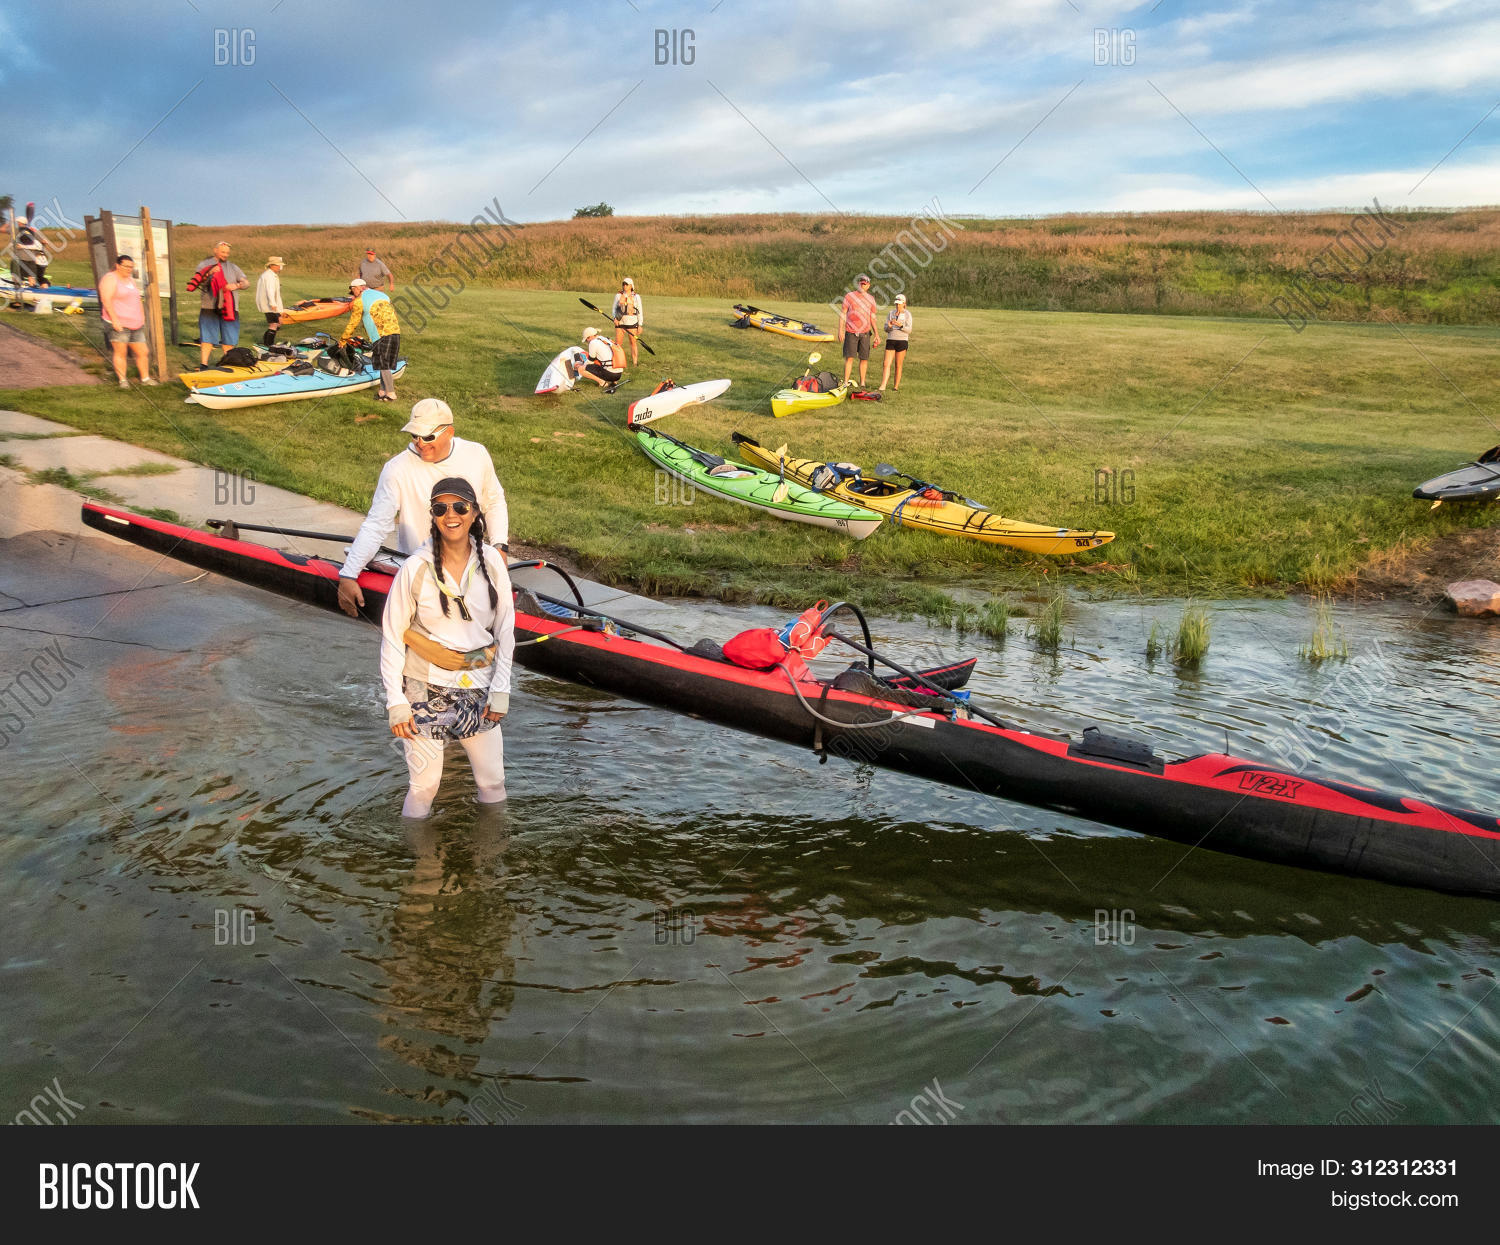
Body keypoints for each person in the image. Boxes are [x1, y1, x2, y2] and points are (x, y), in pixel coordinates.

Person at [381, 476, 514, 818]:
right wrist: (396, 703)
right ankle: (418, 852)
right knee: (424, 787)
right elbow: (392, 635)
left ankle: (492, 850)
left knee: (493, 783)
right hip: (424, 686)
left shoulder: (492, 563)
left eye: (460, 507)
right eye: (440, 508)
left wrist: (501, 688)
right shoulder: (415, 568)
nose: (450, 515)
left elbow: (505, 630)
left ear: (475, 513)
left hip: (479, 685)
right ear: (433, 515)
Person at [337, 397, 509, 618]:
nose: (420, 443)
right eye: (414, 435)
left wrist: (500, 546)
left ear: (449, 432)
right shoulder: (396, 469)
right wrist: (349, 575)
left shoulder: (476, 454)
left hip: (473, 570)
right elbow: (376, 525)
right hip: (423, 576)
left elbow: (494, 501)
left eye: (428, 437)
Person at [186, 240, 249, 368]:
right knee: (207, 338)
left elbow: (246, 283)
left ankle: (228, 364)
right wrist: (209, 272)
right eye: (222, 252)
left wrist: (237, 285)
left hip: (230, 308)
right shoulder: (204, 264)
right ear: (215, 250)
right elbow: (198, 280)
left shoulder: (233, 267)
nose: (225, 255)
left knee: (229, 338)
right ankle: (204, 365)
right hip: (209, 307)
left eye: (227, 253)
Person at [338, 276, 402, 401]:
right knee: (385, 363)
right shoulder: (383, 295)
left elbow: (353, 322)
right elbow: (393, 312)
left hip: (380, 334)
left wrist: (343, 340)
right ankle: (382, 391)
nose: (353, 295)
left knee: (383, 365)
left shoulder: (359, 301)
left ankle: (391, 393)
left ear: (356, 288)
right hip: (395, 331)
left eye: (353, 291)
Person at [97, 254, 156, 389]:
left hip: (135, 323)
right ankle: (123, 381)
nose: (129, 269)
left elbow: (137, 299)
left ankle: (145, 378)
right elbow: (106, 300)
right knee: (121, 352)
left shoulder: (130, 280)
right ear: (118, 265)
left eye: (131, 267)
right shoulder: (110, 279)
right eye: (126, 266)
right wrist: (114, 320)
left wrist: (142, 317)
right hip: (118, 322)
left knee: (143, 351)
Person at [839, 273, 878, 387]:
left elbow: (872, 317)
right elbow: (843, 314)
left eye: (864, 284)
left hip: (865, 333)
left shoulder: (871, 299)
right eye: (861, 283)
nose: (862, 285)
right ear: (858, 284)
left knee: (864, 358)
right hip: (851, 332)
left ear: (868, 286)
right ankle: (845, 382)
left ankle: (862, 383)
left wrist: (877, 334)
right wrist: (840, 330)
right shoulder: (849, 296)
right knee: (849, 358)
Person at [879, 294, 911, 392]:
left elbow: (909, 330)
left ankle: (895, 387)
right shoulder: (891, 313)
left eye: (899, 304)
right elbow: (886, 328)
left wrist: (901, 326)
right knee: (886, 363)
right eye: (896, 304)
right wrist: (889, 326)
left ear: (904, 304)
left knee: (898, 365)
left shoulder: (907, 314)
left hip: (902, 341)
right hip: (891, 339)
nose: (897, 306)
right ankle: (883, 385)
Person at [579, 326, 624, 393]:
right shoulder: (604, 339)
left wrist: (582, 364)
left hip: (611, 374)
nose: (587, 342)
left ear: (589, 337)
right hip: (619, 374)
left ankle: (602, 383)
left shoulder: (593, 342)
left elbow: (591, 361)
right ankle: (614, 381)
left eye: (586, 340)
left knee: (581, 369)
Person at [611, 277, 644, 366]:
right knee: (618, 344)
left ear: (631, 286)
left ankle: (635, 363)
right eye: (623, 284)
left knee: (633, 343)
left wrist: (640, 324)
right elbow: (614, 308)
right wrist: (615, 318)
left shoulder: (636, 297)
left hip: (632, 322)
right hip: (620, 322)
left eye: (626, 284)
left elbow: (640, 311)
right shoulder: (618, 295)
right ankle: (618, 362)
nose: (624, 286)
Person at [255, 256, 286, 346]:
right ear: (272, 265)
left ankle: (266, 342)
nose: (280, 267)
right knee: (274, 324)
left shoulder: (272, 275)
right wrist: (273, 303)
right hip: (269, 304)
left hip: (271, 303)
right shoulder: (269, 276)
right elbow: (270, 290)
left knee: (278, 323)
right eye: (278, 265)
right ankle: (268, 344)